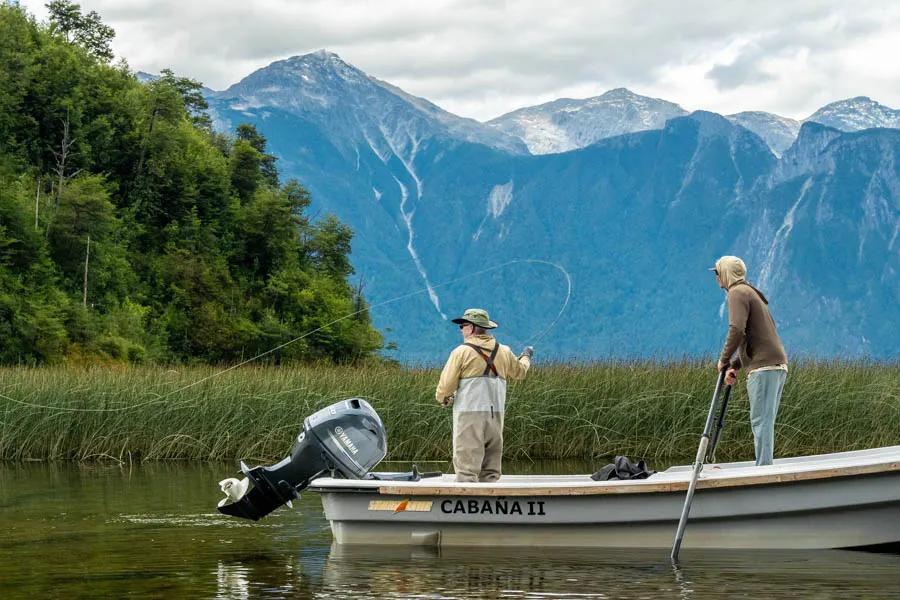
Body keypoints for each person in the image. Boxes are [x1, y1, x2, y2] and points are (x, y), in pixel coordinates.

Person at [435, 308, 532, 482]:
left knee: (467, 471)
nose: (461, 330)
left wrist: (443, 398)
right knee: (491, 471)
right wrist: (526, 356)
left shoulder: (461, 352)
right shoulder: (504, 351)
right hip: (496, 417)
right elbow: (520, 372)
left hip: (469, 416)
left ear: (471, 328)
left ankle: (468, 506)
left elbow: (446, 386)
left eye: (463, 326)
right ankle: (491, 503)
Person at [712, 256, 788, 466]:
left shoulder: (737, 293)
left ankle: (763, 471)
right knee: (765, 421)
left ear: (726, 274)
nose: (716, 277)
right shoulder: (750, 292)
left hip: (764, 367)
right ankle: (764, 466)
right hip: (774, 364)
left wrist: (723, 360)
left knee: (761, 422)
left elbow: (736, 330)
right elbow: (752, 336)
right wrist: (735, 366)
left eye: (717, 272)